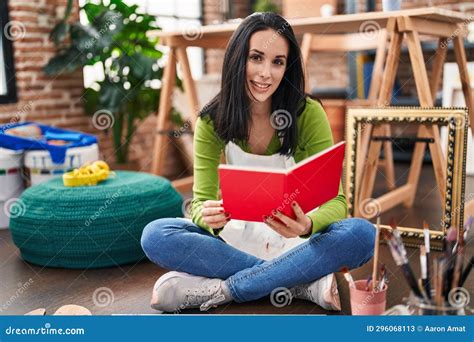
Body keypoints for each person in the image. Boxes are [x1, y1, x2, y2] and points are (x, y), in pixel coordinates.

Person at [141, 12, 375, 313]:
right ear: (239, 58)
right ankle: (301, 284)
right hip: (235, 238)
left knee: (362, 234)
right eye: (256, 58)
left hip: (298, 240)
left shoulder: (308, 114)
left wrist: (308, 224)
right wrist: (205, 215)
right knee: (156, 235)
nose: (266, 73)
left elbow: (337, 201)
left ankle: (229, 288)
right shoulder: (212, 121)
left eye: (278, 62)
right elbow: (200, 202)